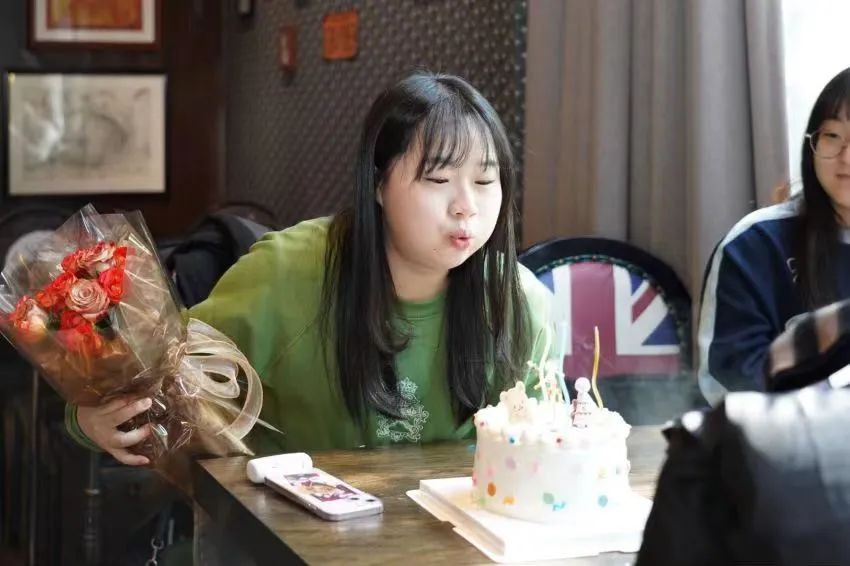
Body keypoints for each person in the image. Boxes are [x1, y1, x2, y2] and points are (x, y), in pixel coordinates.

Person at [66, 72, 553, 465]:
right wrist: (89, 418)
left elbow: (541, 447)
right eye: (439, 179)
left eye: (485, 181)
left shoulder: (518, 302)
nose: (467, 206)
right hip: (283, 531)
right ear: (378, 185)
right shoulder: (287, 274)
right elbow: (159, 377)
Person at [698, 67, 850, 406]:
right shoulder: (755, 244)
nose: (846, 158)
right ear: (812, 144)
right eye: (832, 136)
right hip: (788, 434)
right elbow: (731, 377)